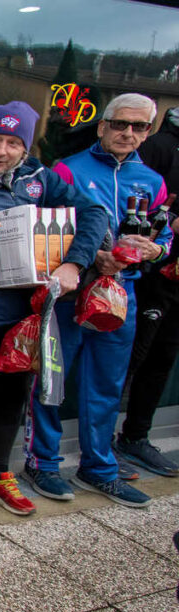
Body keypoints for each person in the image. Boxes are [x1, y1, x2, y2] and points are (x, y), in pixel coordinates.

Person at [0, 101, 106, 516]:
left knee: (13, 396)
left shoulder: (38, 178)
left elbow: (94, 212)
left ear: (24, 149)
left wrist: (73, 263)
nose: (1, 150)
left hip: (26, 313)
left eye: (13, 143)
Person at [25, 93, 172, 507]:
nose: (128, 133)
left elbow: (165, 239)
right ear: (102, 125)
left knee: (105, 384)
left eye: (139, 127)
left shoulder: (153, 181)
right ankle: (44, 464)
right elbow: (43, 231)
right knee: (52, 380)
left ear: (147, 133)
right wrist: (89, 257)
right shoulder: (68, 170)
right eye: (121, 124)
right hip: (72, 294)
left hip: (120, 296)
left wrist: (153, 252)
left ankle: (99, 467)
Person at [115, 104, 179, 477]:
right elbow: (147, 215)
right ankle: (102, 441)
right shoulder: (159, 146)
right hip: (152, 278)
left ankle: (135, 437)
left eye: (137, 126)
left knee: (164, 359)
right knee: (131, 360)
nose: (131, 131)